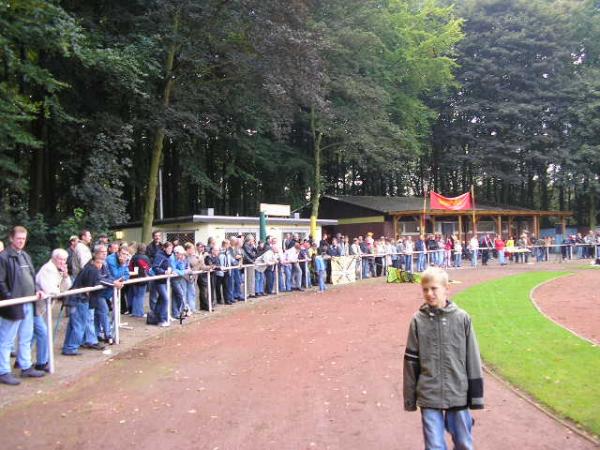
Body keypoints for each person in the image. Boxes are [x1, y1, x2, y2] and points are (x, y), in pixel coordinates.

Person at [403, 267, 484, 449]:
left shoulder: (462, 318)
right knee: (434, 445)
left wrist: (476, 397)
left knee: (463, 443)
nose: (429, 294)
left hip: (457, 391)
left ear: (447, 288)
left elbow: (473, 359)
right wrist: (409, 398)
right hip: (429, 392)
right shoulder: (417, 321)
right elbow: (410, 362)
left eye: (434, 288)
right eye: (425, 289)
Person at [0, 226, 46, 385]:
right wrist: (9, 299)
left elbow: (31, 278)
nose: (21, 241)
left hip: (28, 302)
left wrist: (37, 290)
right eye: (18, 238)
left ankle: (25, 366)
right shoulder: (3, 257)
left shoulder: (25, 255)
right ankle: (3, 371)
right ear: (11, 238)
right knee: (6, 339)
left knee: (26, 337)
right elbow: (0, 282)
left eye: (23, 238)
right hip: (13, 304)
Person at [34, 248, 72, 371]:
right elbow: (50, 290)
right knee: (43, 333)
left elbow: (67, 288)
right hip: (36, 307)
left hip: (45, 307)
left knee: (33, 335)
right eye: (61, 259)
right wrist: (58, 290)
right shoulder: (47, 269)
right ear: (54, 258)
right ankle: (41, 362)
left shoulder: (58, 270)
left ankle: (21, 361)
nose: (63, 262)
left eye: (65, 259)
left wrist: (65, 275)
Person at [129, 243, 152, 317]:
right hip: (142, 279)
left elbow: (130, 267)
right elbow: (148, 269)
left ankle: (135, 312)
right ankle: (140, 312)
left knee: (136, 296)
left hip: (134, 278)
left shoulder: (133, 257)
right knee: (141, 296)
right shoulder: (145, 258)